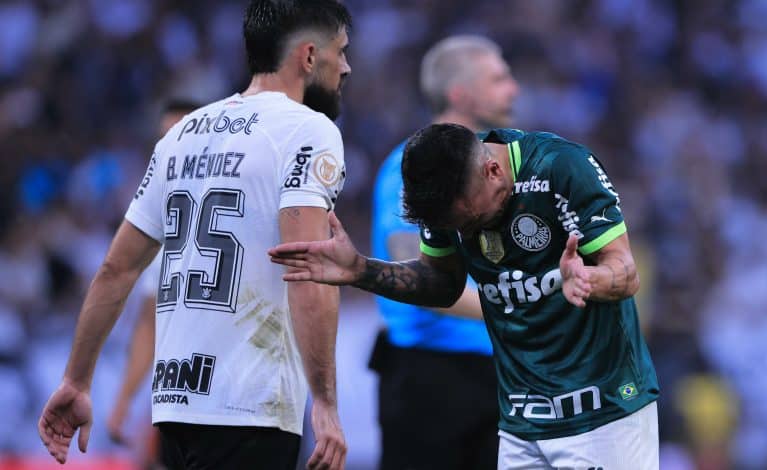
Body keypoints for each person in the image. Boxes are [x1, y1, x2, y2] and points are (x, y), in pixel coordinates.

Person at [38, 1, 352, 469]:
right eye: (340, 51)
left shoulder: (181, 134)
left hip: (175, 408)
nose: (346, 67)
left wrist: (75, 380)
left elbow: (116, 269)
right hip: (249, 405)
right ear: (309, 56)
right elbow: (306, 266)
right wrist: (325, 402)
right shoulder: (309, 130)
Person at [269, 123, 660, 469]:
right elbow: (442, 283)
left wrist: (590, 279)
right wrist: (360, 270)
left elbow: (625, 272)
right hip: (522, 420)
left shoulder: (562, 168)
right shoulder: (448, 199)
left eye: (471, 221)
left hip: (605, 409)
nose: (469, 236)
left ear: (493, 171)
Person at [370, 35, 518, 470]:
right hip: (431, 379)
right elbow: (420, 279)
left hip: (497, 373)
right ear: (460, 94)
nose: (513, 89)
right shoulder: (416, 167)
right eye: (498, 79)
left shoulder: (501, 165)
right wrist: (522, 309)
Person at [105, 100, 199, 466]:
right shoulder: (165, 227)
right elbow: (150, 322)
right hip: (184, 400)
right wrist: (125, 398)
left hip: (250, 400)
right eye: (165, 143)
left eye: (182, 140)